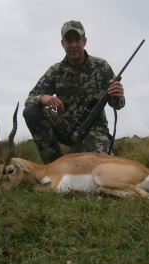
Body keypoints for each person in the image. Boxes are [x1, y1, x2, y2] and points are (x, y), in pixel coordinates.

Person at [23, 20, 125, 164]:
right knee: (31, 111)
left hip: (95, 130)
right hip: (66, 129)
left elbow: (119, 104)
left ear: (84, 41)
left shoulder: (102, 66)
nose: (73, 45)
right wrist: (42, 98)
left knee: (105, 167)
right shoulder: (55, 71)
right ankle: (54, 165)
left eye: (77, 40)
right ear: (62, 43)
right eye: (68, 40)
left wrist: (118, 95)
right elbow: (29, 100)